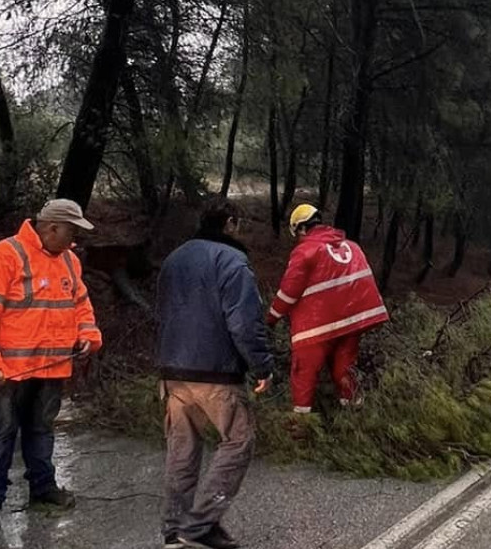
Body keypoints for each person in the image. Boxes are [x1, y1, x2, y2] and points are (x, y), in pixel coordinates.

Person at [0, 199, 102, 529]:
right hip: (9, 373)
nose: (75, 240)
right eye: (72, 231)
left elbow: (81, 302)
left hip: (52, 368)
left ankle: (43, 489)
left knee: (42, 430)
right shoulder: (0, 257)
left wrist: (88, 333)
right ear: (52, 228)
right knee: (1, 434)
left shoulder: (68, 261)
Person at [156, 200, 275, 549]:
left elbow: (161, 313)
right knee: (238, 442)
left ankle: (173, 529)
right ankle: (200, 524)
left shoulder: (174, 259)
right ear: (230, 224)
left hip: (173, 370)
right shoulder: (232, 261)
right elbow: (244, 322)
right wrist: (262, 365)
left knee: (182, 448)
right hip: (215, 371)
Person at [267, 204, 389, 414]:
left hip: (316, 327)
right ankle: (354, 414)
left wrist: (271, 318)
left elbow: (289, 291)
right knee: (344, 370)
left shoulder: (305, 251)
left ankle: (301, 427)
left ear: (302, 229)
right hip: (353, 323)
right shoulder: (353, 246)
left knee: (303, 374)